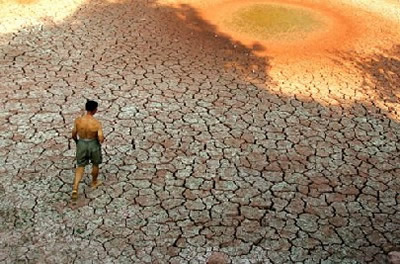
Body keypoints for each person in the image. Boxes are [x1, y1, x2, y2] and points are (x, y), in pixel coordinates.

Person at [71, 100, 105, 200]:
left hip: (81, 143)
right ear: (95, 110)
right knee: (95, 164)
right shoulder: (96, 123)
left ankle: (75, 187)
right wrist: (101, 140)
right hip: (93, 143)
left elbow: (73, 134)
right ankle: (94, 182)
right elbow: (100, 138)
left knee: (80, 166)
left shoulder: (78, 120)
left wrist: (77, 142)